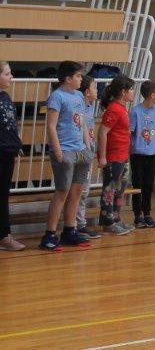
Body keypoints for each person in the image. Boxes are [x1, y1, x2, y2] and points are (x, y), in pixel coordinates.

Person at [40, 61, 92, 251]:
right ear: (68, 78)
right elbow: (51, 126)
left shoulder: (78, 95)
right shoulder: (57, 96)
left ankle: (70, 231)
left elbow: (83, 122)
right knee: (62, 192)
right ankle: (49, 235)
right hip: (65, 150)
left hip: (81, 151)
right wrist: (58, 151)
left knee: (76, 192)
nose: (81, 79)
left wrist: (87, 145)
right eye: (78, 76)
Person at [97, 74, 135, 236]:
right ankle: (108, 222)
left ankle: (116, 218)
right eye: (131, 89)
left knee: (120, 189)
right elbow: (102, 133)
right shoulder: (113, 109)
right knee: (110, 190)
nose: (133, 92)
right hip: (113, 157)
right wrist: (103, 156)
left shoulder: (122, 108)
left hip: (122, 155)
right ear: (123, 92)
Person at [130, 81, 155, 228]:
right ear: (152, 95)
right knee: (138, 183)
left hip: (152, 153)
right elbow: (130, 131)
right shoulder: (135, 112)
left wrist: (152, 142)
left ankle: (147, 213)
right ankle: (137, 215)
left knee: (148, 184)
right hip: (138, 153)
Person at [0, 61, 25, 251]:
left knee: (3, 195)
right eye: (7, 74)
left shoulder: (6, 97)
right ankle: (4, 236)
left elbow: (10, 124)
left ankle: (3, 235)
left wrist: (17, 142)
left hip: (9, 152)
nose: (11, 77)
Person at [73, 75, 101, 241]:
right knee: (79, 191)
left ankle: (80, 223)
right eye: (94, 87)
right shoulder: (79, 107)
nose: (97, 90)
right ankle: (77, 225)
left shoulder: (90, 107)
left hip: (88, 153)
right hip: (79, 153)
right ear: (87, 92)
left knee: (85, 191)